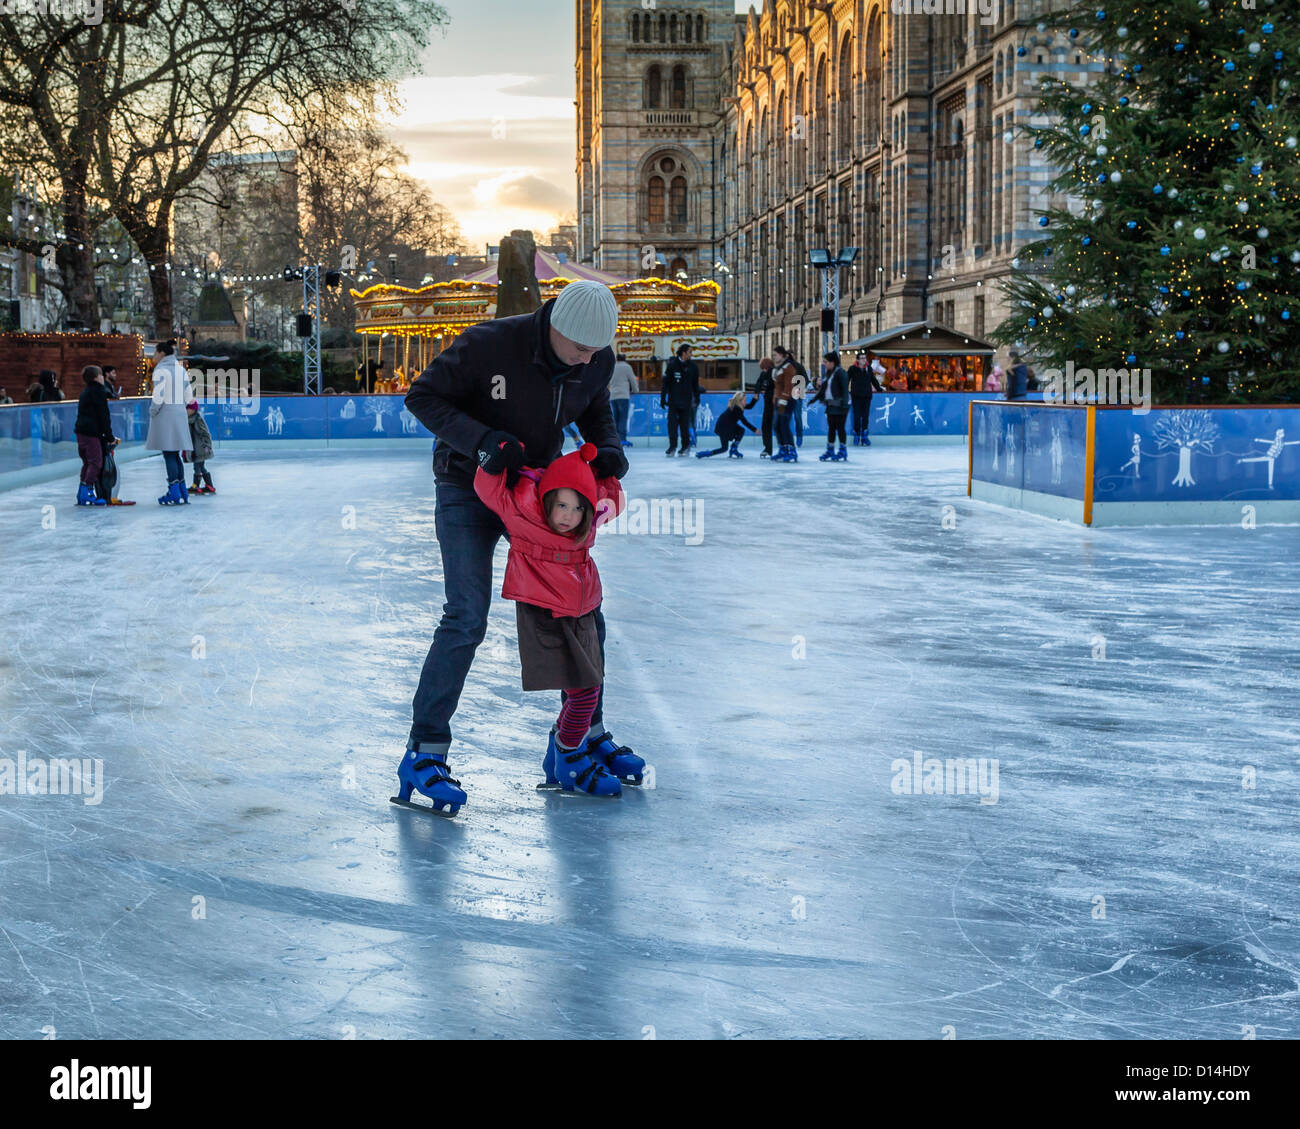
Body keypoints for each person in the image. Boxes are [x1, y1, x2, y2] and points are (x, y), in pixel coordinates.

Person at [399, 278, 639, 813]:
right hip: (466, 486)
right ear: (554, 327)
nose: (587, 361)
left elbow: (594, 405)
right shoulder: (489, 344)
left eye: (596, 352)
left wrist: (608, 450)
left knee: (581, 607)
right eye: (580, 349)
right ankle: (424, 751)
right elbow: (423, 396)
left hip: (535, 493)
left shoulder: (594, 359)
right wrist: (482, 442)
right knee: (466, 616)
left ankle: (581, 735)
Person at [462, 442, 627, 800]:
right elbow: (487, 490)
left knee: (583, 689)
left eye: (577, 507)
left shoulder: (588, 522)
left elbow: (612, 502)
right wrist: (496, 455)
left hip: (582, 612)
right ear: (547, 500)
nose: (568, 515)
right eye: (561, 505)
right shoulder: (524, 513)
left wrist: (609, 471)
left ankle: (560, 756)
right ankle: (569, 754)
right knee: (584, 693)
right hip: (544, 614)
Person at [145, 340, 194, 506]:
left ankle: (173, 490)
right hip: (179, 414)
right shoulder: (181, 370)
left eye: (155, 353)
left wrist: (152, 411)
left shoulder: (161, 370)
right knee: (175, 453)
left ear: (162, 353)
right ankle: (182, 490)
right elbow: (189, 395)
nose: (153, 356)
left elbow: (158, 397)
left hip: (166, 415)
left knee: (169, 453)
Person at [73, 365, 114, 506]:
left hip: (81, 432)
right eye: (101, 375)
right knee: (96, 462)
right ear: (97, 377)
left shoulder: (87, 391)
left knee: (87, 462)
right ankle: (87, 491)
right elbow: (103, 415)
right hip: (91, 433)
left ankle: (82, 492)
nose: (103, 377)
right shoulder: (98, 391)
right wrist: (110, 437)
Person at [810, 351, 850, 462]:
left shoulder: (841, 373)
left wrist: (844, 405)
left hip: (841, 406)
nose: (824, 364)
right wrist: (814, 399)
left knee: (840, 428)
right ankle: (830, 450)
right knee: (831, 428)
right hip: (831, 405)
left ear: (832, 362)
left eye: (826, 362)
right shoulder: (828, 373)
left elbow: (845, 390)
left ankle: (843, 450)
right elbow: (823, 389)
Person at [661, 343, 699, 456]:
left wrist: (697, 399)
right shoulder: (672, 365)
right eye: (690, 352)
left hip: (686, 402)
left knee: (685, 426)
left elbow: (695, 385)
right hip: (673, 402)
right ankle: (672, 447)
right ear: (683, 353)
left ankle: (685, 446)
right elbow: (665, 384)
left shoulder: (693, 367)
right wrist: (663, 399)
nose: (691, 354)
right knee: (672, 426)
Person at [695, 390, 758, 458]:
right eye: (744, 400)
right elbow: (744, 422)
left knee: (741, 430)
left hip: (727, 425)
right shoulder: (736, 408)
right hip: (723, 428)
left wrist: (755, 399)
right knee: (724, 448)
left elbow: (750, 406)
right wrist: (755, 430)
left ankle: (733, 449)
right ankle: (705, 453)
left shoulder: (738, 405)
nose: (745, 402)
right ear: (739, 401)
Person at [847, 352, 885, 445]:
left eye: (865, 358)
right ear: (858, 360)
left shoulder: (868, 368)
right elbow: (846, 380)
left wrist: (879, 389)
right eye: (862, 358)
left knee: (865, 416)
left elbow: (873, 380)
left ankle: (864, 435)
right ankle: (856, 435)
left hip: (867, 396)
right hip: (856, 396)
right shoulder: (852, 369)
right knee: (857, 416)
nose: (864, 360)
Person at [771, 345, 800, 462]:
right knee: (776, 426)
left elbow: (789, 386)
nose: (773, 357)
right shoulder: (778, 367)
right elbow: (777, 386)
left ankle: (791, 450)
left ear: (782, 355)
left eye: (775, 355)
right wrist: (775, 399)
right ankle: (782, 448)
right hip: (779, 401)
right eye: (773, 355)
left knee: (783, 425)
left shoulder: (788, 367)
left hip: (788, 401)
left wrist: (783, 400)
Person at [607, 352, 638, 447]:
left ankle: (615, 439)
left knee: (615, 418)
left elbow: (607, 380)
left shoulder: (612, 367)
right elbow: (632, 380)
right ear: (624, 359)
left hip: (613, 396)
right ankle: (623, 439)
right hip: (623, 396)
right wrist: (635, 390)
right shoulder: (627, 367)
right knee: (623, 418)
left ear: (616, 359)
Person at [185, 400, 216, 494]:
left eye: (188, 409)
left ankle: (195, 486)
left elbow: (205, 433)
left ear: (193, 409)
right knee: (201, 467)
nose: (186, 410)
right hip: (196, 448)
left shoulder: (197, 419)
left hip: (201, 448)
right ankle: (209, 485)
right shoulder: (190, 419)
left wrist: (207, 446)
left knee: (197, 467)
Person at [753, 357, 776, 457]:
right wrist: (757, 392)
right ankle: (768, 448)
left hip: (775, 403)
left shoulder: (772, 372)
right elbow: (759, 382)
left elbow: (760, 382)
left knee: (771, 426)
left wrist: (757, 392)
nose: (762, 370)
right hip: (769, 403)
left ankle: (770, 448)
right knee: (766, 426)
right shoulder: (765, 373)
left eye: (763, 368)